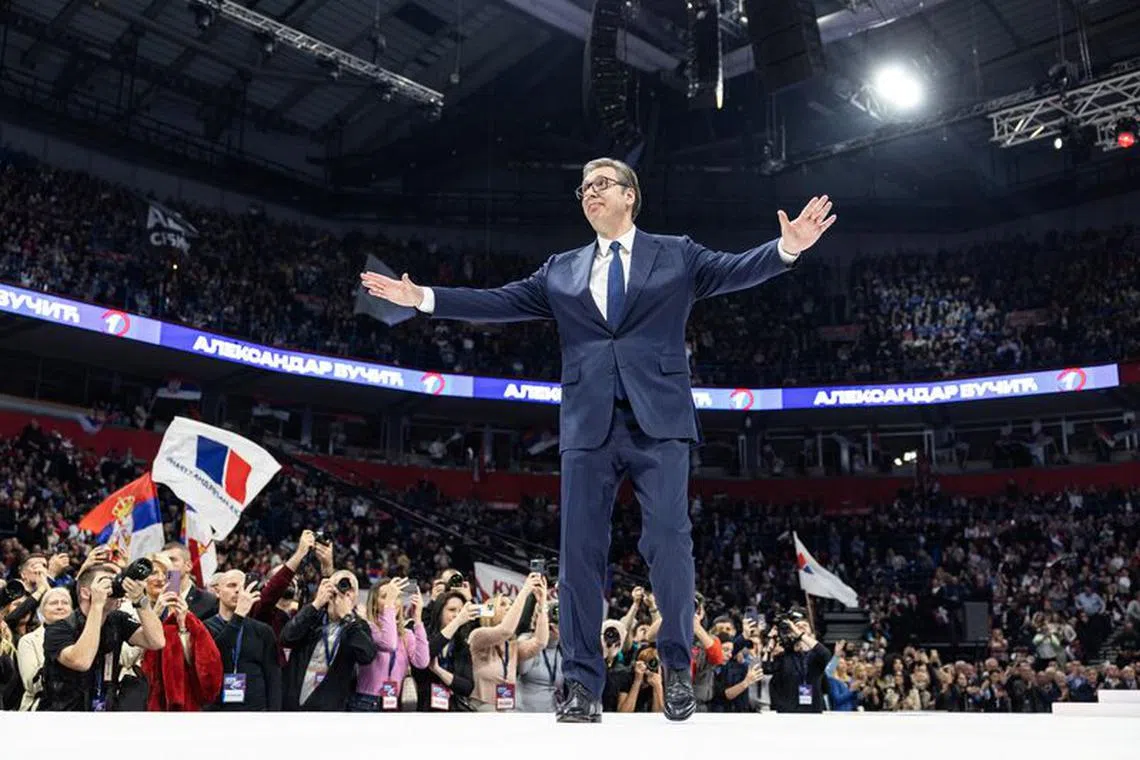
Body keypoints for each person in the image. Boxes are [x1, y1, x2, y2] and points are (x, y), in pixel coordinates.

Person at [361, 158, 835, 722]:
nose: (590, 193)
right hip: (588, 425)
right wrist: (425, 299)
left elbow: (734, 269)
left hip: (657, 420)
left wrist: (787, 249)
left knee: (668, 542)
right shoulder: (560, 270)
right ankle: (582, 686)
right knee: (579, 555)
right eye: (584, 187)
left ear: (630, 196)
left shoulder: (676, 253)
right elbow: (500, 301)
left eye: (602, 184)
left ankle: (678, 671)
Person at [39, 564, 167, 711]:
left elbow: (157, 641)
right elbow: (82, 661)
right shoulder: (58, 628)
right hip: (64, 715)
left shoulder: (117, 620)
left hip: (104, 712)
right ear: (86, 593)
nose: (112, 588)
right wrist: (97, 605)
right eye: (105, 582)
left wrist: (140, 600)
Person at [280, 570, 377, 711]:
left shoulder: (357, 626)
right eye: (339, 586)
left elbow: (367, 655)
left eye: (349, 590)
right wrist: (317, 603)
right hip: (294, 705)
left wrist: (347, 618)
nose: (343, 593)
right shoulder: (313, 615)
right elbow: (286, 638)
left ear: (355, 597)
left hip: (328, 710)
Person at [205, 570, 283, 711]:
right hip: (217, 713)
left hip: (256, 713)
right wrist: (238, 615)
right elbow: (217, 655)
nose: (237, 591)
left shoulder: (263, 631)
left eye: (242, 587)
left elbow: (273, 678)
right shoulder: (204, 628)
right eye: (231, 585)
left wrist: (274, 716)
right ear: (217, 592)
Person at [352, 577, 430, 712]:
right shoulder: (368, 628)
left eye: (396, 596)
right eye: (385, 596)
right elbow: (389, 643)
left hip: (394, 703)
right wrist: (389, 605)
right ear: (375, 604)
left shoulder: (406, 634)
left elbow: (422, 662)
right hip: (366, 702)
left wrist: (418, 620)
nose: (393, 600)